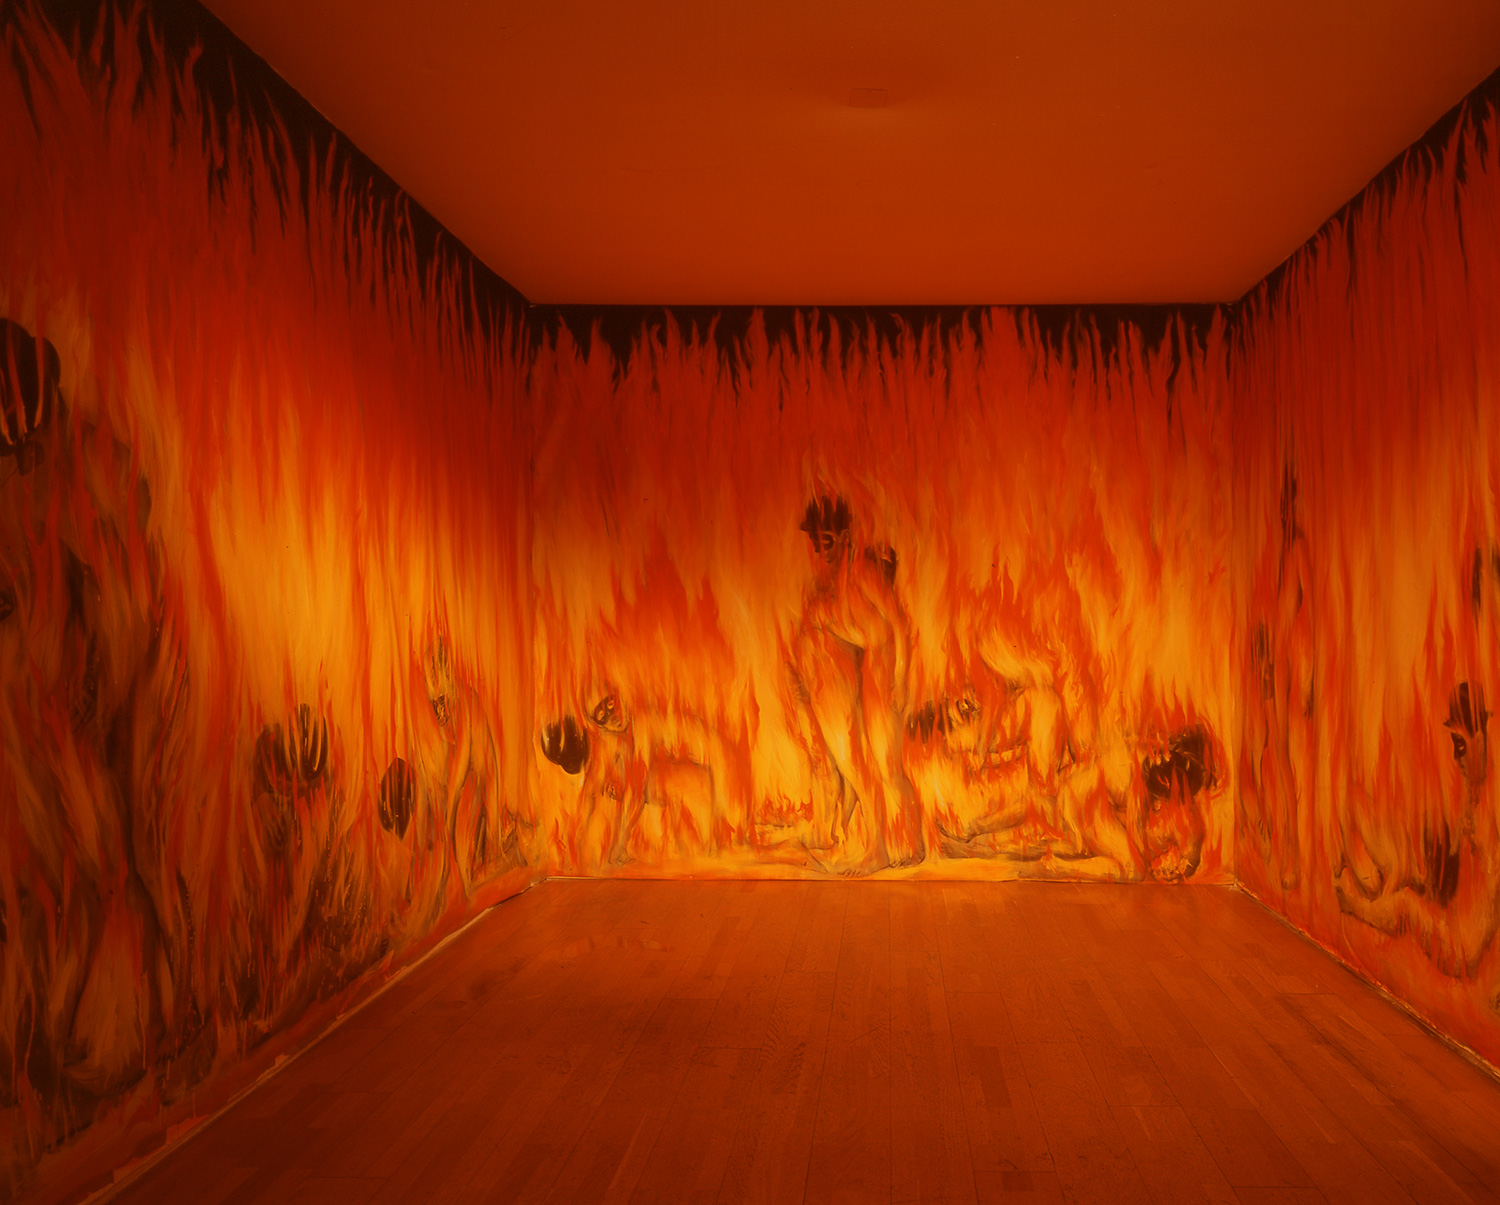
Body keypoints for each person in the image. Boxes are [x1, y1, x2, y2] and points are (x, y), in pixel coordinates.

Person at [792, 495, 923, 872]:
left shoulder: (863, 570)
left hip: (884, 670)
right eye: (816, 542)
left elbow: (898, 623)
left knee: (888, 766)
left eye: (826, 541)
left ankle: (899, 847)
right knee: (879, 765)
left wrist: (901, 678)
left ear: (846, 537)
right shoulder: (838, 581)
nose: (820, 550)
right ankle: (889, 845)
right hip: (870, 671)